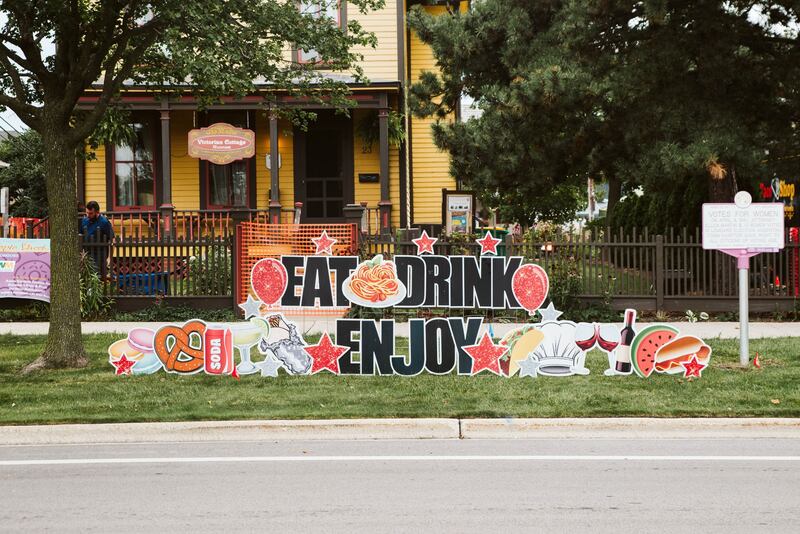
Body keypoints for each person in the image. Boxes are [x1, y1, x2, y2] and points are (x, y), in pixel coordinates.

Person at [80, 201, 114, 277]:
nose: (88, 215)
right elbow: (80, 236)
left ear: (97, 212)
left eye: (91, 213)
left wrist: (109, 258)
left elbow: (112, 240)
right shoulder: (84, 221)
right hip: (86, 254)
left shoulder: (104, 222)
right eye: (87, 213)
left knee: (96, 277)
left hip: (100, 255)